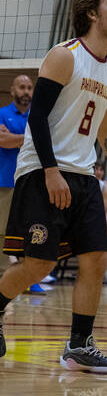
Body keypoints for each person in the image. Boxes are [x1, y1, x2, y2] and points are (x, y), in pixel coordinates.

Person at [0, 0, 107, 371]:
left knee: (96, 260)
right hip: (43, 171)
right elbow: (37, 117)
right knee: (39, 265)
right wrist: (51, 172)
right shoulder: (64, 56)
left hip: (83, 176)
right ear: (91, 13)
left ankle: (79, 345)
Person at [0, 75, 39, 284]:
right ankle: (3, 276)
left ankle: (29, 279)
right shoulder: (2, 114)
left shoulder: (38, 116)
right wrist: (31, 139)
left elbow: (47, 141)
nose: (26, 92)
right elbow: (3, 141)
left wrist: (15, 139)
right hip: (5, 180)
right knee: (2, 231)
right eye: (22, 87)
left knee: (33, 231)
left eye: (30, 88)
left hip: (32, 182)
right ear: (12, 91)